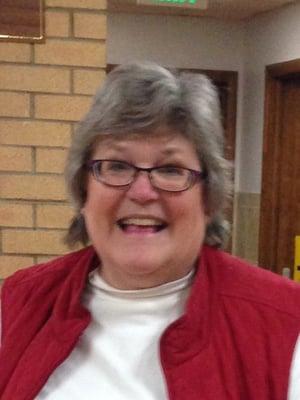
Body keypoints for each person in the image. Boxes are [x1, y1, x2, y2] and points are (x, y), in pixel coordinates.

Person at [0, 62, 299, 400]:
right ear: (83, 190)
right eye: (116, 166)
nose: (142, 192)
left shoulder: (285, 325)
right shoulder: (18, 304)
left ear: (208, 197)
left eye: (171, 169)